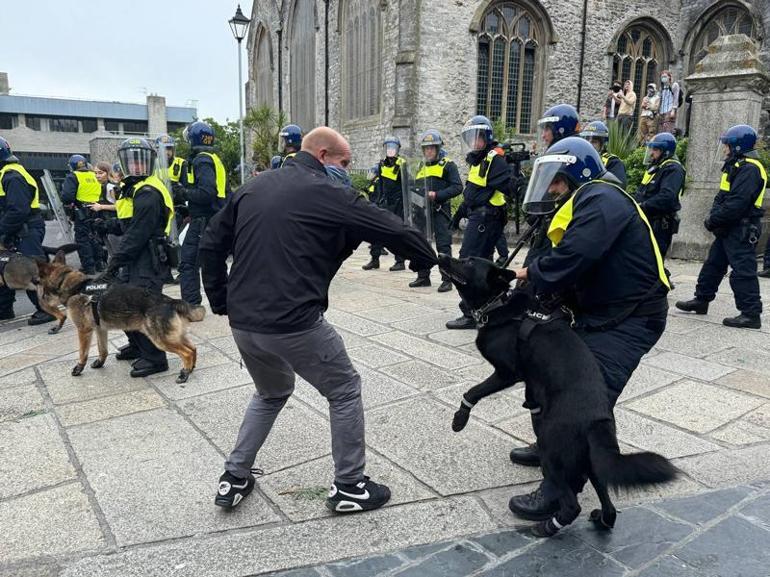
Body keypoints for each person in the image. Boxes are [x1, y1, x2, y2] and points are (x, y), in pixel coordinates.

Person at [199, 127, 436, 513]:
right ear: (323, 155)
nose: (346, 170)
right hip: (294, 323)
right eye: (344, 162)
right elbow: (391, 226)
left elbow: (210, 243)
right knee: (344, 389)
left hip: (245, 325)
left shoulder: (252, 188)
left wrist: (222, 302)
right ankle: (350, 487)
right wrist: (429, 258)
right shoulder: (328, 191)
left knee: (271, 393)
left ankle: (235, 476)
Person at [507, 136, 669, 520]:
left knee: (578, 399)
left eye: (556, 181)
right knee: (552, 379)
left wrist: (530, 274)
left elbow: (577, 254)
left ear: (574, 173)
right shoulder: (587, 200)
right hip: (604, 315)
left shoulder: (602, 196)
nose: (552, 189)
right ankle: (551, 446)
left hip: (630, 320)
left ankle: (559, 492)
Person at [95, 138, 175, 375]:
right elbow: (128, 225)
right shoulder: (133, 189)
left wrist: (113, 263)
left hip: (148, 260)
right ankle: (138, 346)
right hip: (136, 258)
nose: (136, 166)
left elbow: (138, 234)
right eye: (131, 161)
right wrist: (107, 225)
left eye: (141, 161)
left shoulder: (148, 191)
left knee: (142, 309)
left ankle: (155, 358)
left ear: (150, 163)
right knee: (122, 303)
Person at [677, 125, 766, 329]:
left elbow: (737, 204)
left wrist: (714, 220)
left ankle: (751, 314)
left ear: (736, 146)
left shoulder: (750, 169)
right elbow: (722, 197)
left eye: (726, 145)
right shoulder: (736, 166)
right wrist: (714, 216)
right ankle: (701, 300)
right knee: (713, 265)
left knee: (743, 271)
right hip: (728, 227)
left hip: (741, 228)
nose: (724, 149)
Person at [445, 116, 510, 329]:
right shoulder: (479, 160)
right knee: (484, 265)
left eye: (477, 138)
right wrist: (459, 214)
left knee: (467, 263)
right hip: (481, 216)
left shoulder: (494, 159)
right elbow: (472, 193)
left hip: (486, 218)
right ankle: (489, 308)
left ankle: (470, 313)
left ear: (486, 138)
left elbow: (505, 184)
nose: (474, 143)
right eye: (471, 139)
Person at [0, 136, 56, 325]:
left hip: (25, 229)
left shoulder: (12, 176)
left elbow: (18, 210)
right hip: (20, 228)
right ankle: (4, 309)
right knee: (5, 266)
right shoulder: (9, 173)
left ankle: (47, 310)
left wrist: (2, 231)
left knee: (30, 271)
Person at [178, 120, 228, 306]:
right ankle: (226, 298)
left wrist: (183, 193)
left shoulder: (201, 160)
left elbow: (207, 193)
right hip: (214, 217)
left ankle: (191, 305)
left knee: (188, 263)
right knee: (214, 262)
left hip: (203, 219)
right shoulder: (213, 158)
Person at [408, 129, 462, 292]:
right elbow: (413, 188)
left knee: (443, 245)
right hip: (422, 212)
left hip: (440, 210)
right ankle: (423, 276)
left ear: (438, 149)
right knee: (421, 243)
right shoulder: (420, 166)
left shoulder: (447, 164)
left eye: (432, 147)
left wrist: (437, 195)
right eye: (426, 148)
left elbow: (457, 187)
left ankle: (447, 279)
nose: (429, 151)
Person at [362, 136, 410, 271]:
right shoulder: (381, 164)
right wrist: (378, 200)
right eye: (388, 147)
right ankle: (374, 259)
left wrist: (404, 204)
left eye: (393, 147)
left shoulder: (402, 164)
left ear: (397, 149)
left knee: (397, 233)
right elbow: (381, 184)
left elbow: (407, 185)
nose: (390, 150)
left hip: (398, 204)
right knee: (376, 230)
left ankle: (400, 261)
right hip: (384, 202)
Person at [634, 132, 685, 259]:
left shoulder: (673, 169)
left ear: (665, 151)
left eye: (655, 149)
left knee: (653, 263)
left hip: (659, 224)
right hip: (647, 221)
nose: (651, 153)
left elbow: (666, 197)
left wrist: (642, 206)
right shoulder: (657, 167)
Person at [60, 154, 104, 273]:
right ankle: (99, 264)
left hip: (82, 211)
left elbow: (67, 197)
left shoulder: (73, 176)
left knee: (83, 240)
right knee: (95, 237)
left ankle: (89, 267)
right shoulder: (94, 175)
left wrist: (69, 204)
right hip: (97, 209)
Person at [579, 120, 627, 188]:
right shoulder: (580, 161)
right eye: (587, 141)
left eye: (594, 142)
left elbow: (619, 188)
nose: (589, 144)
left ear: (603, 145)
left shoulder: (613, 162)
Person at [89, 161, 120, 257]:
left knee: (116, 255)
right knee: (112, 254)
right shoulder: (103, 186)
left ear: (108, 173)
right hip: (106, 227)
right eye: (96, 173)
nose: (97, 176)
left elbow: (120, 207)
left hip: (114, 227)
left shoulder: (111, 187)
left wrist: (101, 207)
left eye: (100, 173)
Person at [658, 71, 680, 135]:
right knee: (661, 131)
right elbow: (660, 99)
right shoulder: (661, 87)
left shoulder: (674, 85)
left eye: (665, 76)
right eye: (662, 77)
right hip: (662, 111)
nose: (663, 78)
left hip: (669, 110)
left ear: (669, 77)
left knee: (668, 130)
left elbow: (676, 98)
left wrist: (673, 110)